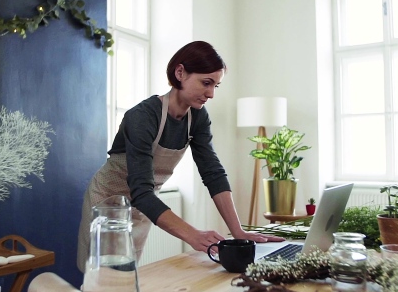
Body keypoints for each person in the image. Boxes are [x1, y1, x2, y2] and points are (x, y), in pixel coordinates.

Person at [77, 41, 283, 272]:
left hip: (145, 205)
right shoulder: (142, 116)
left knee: (125, 275)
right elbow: (141, 191)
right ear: (180, 73)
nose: (211, 94)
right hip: (109, 203)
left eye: (216, 85)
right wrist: (192, 235)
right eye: (206, 83)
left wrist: (238, 232)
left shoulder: (197, 117)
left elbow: (212, 172)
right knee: (101, 278)